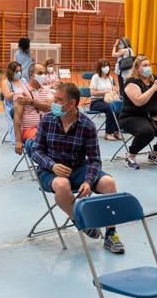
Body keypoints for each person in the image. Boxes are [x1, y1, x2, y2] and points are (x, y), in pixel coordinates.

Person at [31, 83, 125, 254]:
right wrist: (52, 165)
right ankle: (83, 221)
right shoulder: (47, 120)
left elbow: (95, 160)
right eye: (55, 98)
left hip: (79, 169)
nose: (54, 102)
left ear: (72, 104)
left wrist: (88, 181)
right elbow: (36, 151)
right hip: (49, 172)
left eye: (59, 100)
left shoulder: (87, 125)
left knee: (109, 183)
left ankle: (111, 234)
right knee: (61, 185)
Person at [118, 56, 157, 170]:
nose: (148, 67)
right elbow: (139, 102)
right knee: (147, 131)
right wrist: (153, 89)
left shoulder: (153, 79)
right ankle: (130, 156)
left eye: (149, 65)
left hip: (152, 116)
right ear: (137, 70)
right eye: (145, 65)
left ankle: (154, 155)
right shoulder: (131, 82)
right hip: (131, 116)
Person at [13, 63, 53, 155]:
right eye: (40, 73)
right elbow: (17, 118)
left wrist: (31, 101)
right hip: (29, 130)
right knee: (47, 139)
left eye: (44, 73)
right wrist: (18, 141)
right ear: (32, 75)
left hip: (47, 128)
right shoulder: (21, 92)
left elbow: (49, 107)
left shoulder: (47, 90)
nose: (43, 75)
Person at [89, 59, 120, 141]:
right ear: (99, 67)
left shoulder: (110, 78)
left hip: (108, 100)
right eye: (104, 66)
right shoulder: (95, 77)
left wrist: (114, 91)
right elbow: (92, 92)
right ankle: (108, 133)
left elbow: (112, 89)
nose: (106, 67)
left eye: (107, 65)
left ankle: (116, 131)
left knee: (118, 107)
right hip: (96, 102)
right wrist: (107, 91)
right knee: (111, 109)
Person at [1, 61, 26, 144]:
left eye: (20, 71)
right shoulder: (6, 82)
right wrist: (18, 92)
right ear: (11, 72)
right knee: (15, 117)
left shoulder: (23, 80)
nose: (19, 73)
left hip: (24, 104)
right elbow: (7, 96)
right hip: (11, 106)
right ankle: (16, 140)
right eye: (16, 71)